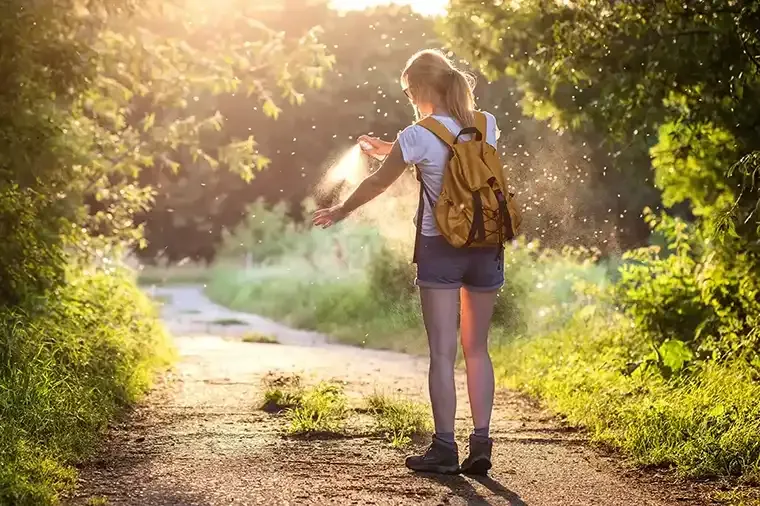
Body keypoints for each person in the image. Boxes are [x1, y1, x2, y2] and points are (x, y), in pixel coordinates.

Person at [312, 49, 503, 475]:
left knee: (441, 351)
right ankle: (482, 443)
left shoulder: (416, 134)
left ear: (418, 88)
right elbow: (453, 150)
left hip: (442, 248)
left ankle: (444, 448)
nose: (409, 99)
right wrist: (395, 146)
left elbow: (380, 181)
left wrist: (340, 210)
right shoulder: (487, 124)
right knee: (477, 349)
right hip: (487, 245)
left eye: (407, 91)